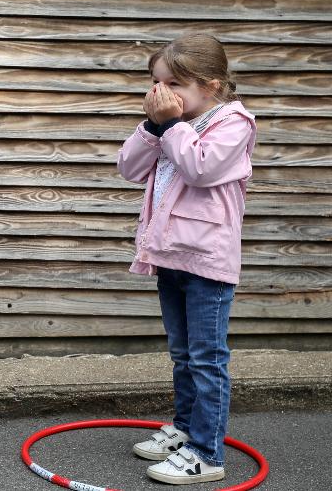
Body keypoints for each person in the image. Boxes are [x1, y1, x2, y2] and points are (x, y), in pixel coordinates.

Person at [118, 34, 257, 485]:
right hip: (170, 254)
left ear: (211, 85)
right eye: (156, 83)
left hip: (208, 260)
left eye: (173, 83)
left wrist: (172, 125)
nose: (162, 93)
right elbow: (129, 168)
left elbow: (201, 169)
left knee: (206, 357)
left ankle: (207, 453)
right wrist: (154, 126)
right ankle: (184, 429)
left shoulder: (234, 124)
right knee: (183, 354)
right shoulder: (169, 122)